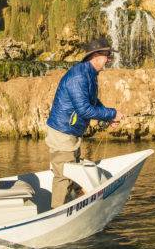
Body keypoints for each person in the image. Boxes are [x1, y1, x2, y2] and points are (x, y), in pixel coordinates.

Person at [45, 37, 124, 209]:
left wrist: (109, 116)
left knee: (71, 172)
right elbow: (84, 110)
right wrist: (111, 113)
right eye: (107, 55)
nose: (109, 59)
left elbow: (93, 102)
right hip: (62, 133)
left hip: (70, 132)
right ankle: (56, 214)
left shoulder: (89, 73)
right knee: (64, 176)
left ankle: (70, 207)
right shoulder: (79, 76)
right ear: (95, 55)